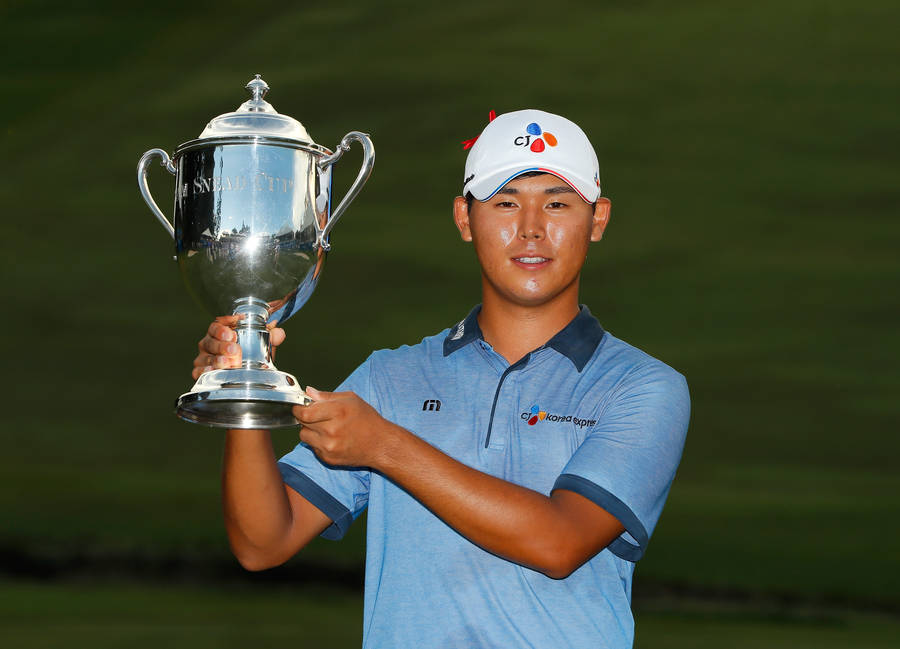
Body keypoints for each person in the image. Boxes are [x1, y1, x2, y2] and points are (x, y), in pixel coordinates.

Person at [193, 109, 690, 648]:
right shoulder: (390, 378)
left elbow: (560, 542)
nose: (530, 229)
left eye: (557, 203)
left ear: (598, 219)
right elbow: (263, 541)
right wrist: (243, 393)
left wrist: (384, 445)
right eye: (504, 203)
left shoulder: (642, 387)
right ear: (463, 218)